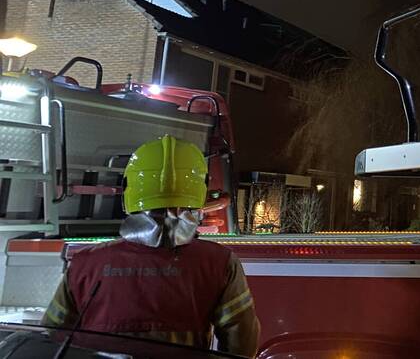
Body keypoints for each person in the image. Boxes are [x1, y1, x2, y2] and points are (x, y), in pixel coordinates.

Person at [42, 135, 260, 357]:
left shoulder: (85, 262)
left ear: (130, 190)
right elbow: (241, 342)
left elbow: (51, 336)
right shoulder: (219, 263)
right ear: (198, 193)